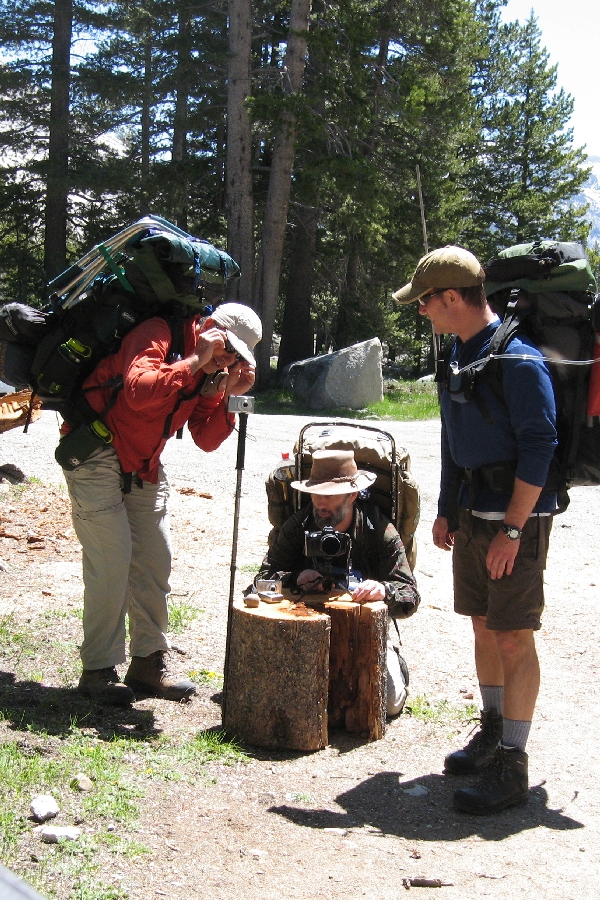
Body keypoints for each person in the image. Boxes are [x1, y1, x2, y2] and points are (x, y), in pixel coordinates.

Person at [393, 246, 557, 814]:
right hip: (472, 514)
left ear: (452, 297)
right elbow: (451, 437)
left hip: (515, 521)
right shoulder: (461, 355)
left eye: (425, 301)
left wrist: (512, 530)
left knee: (513, 635)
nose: (421, 311)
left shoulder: (518, 359)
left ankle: (513, 762)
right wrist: (446, 508)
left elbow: (540, 445)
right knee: (484, 627)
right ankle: (492, 731)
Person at [61, 302, 262, 706]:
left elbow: (205, 438)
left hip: (144, 463)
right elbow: (138, 392)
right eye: (227, 346)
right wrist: (195, 360)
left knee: (155, 559)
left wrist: (227, 396)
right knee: (112, 558)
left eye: (237, 355)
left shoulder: (211, 371)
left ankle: (148, 662)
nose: (227, 359)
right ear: (209, 327)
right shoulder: (157, 332)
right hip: (96, 449)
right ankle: (98, 670)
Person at [256, 449, 420, 716]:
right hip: (303, 629)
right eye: (316, 494)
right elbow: (261, 581)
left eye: (330, 496)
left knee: (389, 704)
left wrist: (383, 590)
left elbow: (410, 594)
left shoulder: (378, 529)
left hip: (364, 631)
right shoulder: (298, 526)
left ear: (352, 495)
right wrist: (294, 579)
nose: (321, 503)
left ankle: (395, 661)